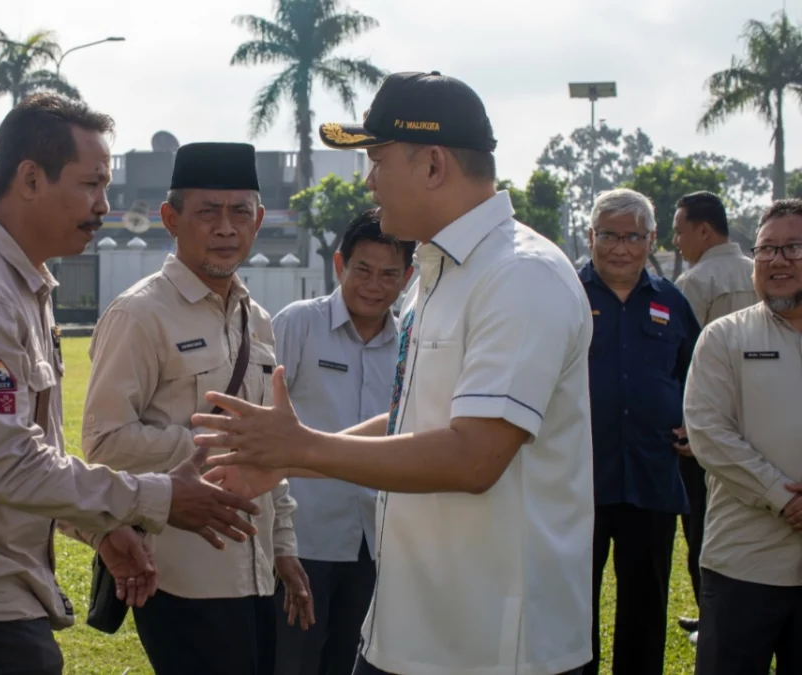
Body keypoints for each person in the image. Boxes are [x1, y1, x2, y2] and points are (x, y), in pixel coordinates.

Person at [194, 71, 595, 675]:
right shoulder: (441, 273)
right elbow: (412, 418)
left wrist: (307, 446)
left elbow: (474, 457)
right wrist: (289, 461)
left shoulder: (519, 276)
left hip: (494, 647)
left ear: (434, 165)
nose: (370, 180)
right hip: (409, 629)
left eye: (377, 159)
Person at [0, 95, 264, 675]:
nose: (104, 204)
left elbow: (25, 456)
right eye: (92, 184)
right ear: (30, 178)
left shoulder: (18, 288)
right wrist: (161, 498)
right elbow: (9, 465)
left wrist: (99, 529)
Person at [82, 141, 311, 675]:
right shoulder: (140, 315)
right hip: (183, 576)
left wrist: (284, 546)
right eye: (208, 211)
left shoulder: (257, 319)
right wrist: (217, 448)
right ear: (171, 218)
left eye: (241, 212)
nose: (226, 228)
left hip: (257, 576)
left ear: (257, 222)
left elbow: (268, 451)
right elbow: (104, 442)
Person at [270, 209, 414, 675]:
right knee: (294, 661)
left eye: (390, 274)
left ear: (408, 277)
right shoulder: (298, 325)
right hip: (304, 538)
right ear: (339, 265)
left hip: (376, 543)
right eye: (363, 270)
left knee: (356, 661)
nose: (375, 285)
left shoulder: (412, 345)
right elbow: (262, 420)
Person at [577, 188, 702, 675]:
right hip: (579, 480)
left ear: (651, 239)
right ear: (592, 236)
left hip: (652, 477)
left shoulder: (672, 301)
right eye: (609, 235)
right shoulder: (565, 296)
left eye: (633, 236)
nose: (621, 247)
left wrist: (697, 425)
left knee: (646, 607)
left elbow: (699, 376)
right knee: (574, 605)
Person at [683, 198, 802, 675]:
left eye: (793, 248)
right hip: (743, 564)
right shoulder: (723, 338)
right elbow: (709, 433)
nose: (777, 260)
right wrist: (782, 496)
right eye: (767, 249)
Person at [669, 190, 758, 641]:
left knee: (705, 525)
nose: (677, 241)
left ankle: (713, 618)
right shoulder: (758, 272)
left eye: (680, 231)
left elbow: (684, 362)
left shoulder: (693, 284)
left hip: (707, 427)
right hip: (762, 422)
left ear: (704, 230)